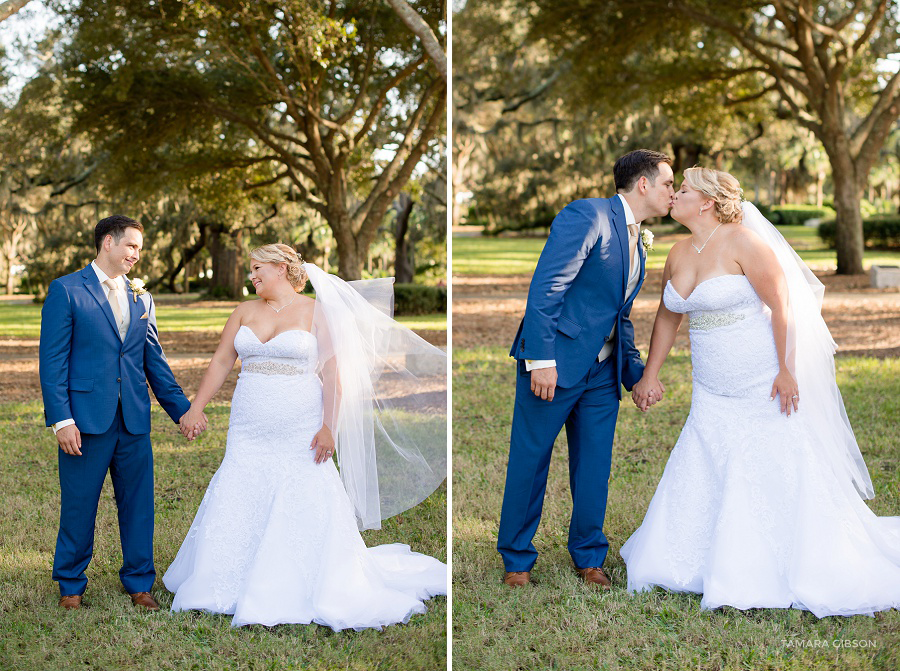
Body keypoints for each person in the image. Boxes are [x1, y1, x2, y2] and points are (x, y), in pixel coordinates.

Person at [622, 167, 900, 617]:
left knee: (769, 458)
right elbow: (669, 317)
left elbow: (783, 305)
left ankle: (776, 559)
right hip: (710, 387)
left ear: (707, 202)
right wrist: (650, 373)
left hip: (758, 379)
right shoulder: (677, 251)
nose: (674, 195)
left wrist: (787, 370)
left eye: (684, 189)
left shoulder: (745, 243)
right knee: (707, 456)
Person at [163, 244, 447, 629]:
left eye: (257, 268)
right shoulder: (244, 311)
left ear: (281, 269)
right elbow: (221, 361)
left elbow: (332, 373)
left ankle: (297, 578)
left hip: (300, 423)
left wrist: (329, 426)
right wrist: (196, 407)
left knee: (302, 487)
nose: (252, 275)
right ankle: (224, 578)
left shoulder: (317, 311)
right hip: (248, 424)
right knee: (240, 484)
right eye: (251, 269)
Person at [497, 149, 675, 588]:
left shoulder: (640, 242)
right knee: (531, 460)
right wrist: (541, 360)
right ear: (644, 184)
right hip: (553, 365)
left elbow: (620, 316)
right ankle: (517, 561)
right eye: (670, 183)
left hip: (600, 375)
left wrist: (635, 375)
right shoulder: (588, 216)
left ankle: (589, 557)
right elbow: (547, 287)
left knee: (595, 466)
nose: (674, 191)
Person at [39, 215, 206, 612]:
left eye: (139, 249)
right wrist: (62, 420)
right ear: (108, 243)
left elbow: (154, 363)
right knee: (79, 504)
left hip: (133, 420)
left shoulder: (141, 296)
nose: (136, 254)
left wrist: (183, 411)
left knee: (138, 504)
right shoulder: (66, 291)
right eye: (131, 246)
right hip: (84, 422)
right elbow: (52, 362)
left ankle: (138, 582)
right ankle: (70, 585)